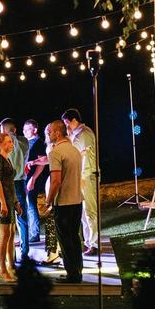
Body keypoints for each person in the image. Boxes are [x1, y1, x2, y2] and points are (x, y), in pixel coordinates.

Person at [45, 120, 84, 282]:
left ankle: (72, 274)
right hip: (77, 200)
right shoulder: (74, 150)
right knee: (74, 237)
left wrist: (48, 201)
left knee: (65, 238)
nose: (48, 134)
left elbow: (55, 181)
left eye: (50, 131)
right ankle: (78, 269)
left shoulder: (55, 152)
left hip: (64, 202)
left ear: (58, 133)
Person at [62, 109, 100, 256]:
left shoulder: (84, 134)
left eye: (67, 123)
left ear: (73, 120)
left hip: (87, 176)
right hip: (81, 177)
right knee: (83, 213)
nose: (67, 127)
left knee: (90, 210)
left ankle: (94, 243)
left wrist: (82, 177)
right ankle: (87, 242)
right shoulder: (76, 134)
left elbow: (86, 157)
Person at [0, 133, 20, 282]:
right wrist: (3, 203)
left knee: (11, 234)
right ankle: (2, 269)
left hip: (9, 200)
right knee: (5, 235)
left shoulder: (7, 159)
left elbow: (10, 184)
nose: (11, 144)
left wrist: (15, 202)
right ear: (0, 144)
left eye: (11, 142)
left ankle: (11, 265)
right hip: (2, 202)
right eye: (8, 142)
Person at [0, 119, 28, 264]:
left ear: (4, 130)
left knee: (8, 221)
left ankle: (12, 256)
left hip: (7, 183)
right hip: (21, 181)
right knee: (22, 217)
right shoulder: (24, 142)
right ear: (15, 129)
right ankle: (25, 251)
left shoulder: (4, 144)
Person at [21, 119, 49, 263]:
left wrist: (33, 178)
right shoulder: (26, 142)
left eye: (27, 129)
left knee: (30, 203)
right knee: (27, 203)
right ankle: (32, 232)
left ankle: (34, 233)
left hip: (32, 178)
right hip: (26, 177)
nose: (24, 131)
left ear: (35, 130)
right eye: (24, 129)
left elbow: (42, 163)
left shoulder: (38, 142)